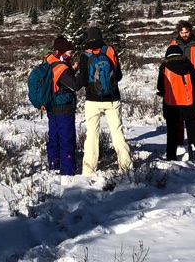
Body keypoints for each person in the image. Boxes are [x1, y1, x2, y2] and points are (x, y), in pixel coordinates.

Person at [77, 25, 132, 173]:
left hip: (92, 100)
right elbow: (118, 76)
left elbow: (82, 80)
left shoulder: (85, 54)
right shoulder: (110, 50)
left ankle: (89, 169)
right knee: (117, 131)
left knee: (92, 134)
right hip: (113, 98)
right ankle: (126, 166)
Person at [157, 44, 195, 161]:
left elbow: (160, 86)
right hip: (189, 103)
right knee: (194, 131)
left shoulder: (164, 66)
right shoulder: (189, 65)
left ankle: (171, 156)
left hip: (171, 104)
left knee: (172, 132)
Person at [169, 21, 195, 148]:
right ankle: (179, 143)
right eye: (181, 32)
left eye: (186, 32)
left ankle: (194, 140)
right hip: (179, 86)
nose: (184, 35)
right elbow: (169, 66)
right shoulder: (173, 44)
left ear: (190, 31)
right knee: (179, 115)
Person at [42, 36, 81, 176]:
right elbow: (74, 85)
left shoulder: (50, 63)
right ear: (63, 53)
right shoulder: (62, 68)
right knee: (67, 139)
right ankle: (68, 172)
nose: (72, 55)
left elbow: (60, 82)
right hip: (64, 108)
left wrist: (72, 69)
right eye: (70, 53)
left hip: (51, 107)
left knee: (54, 138)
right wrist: (81, 73)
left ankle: (53, 166)